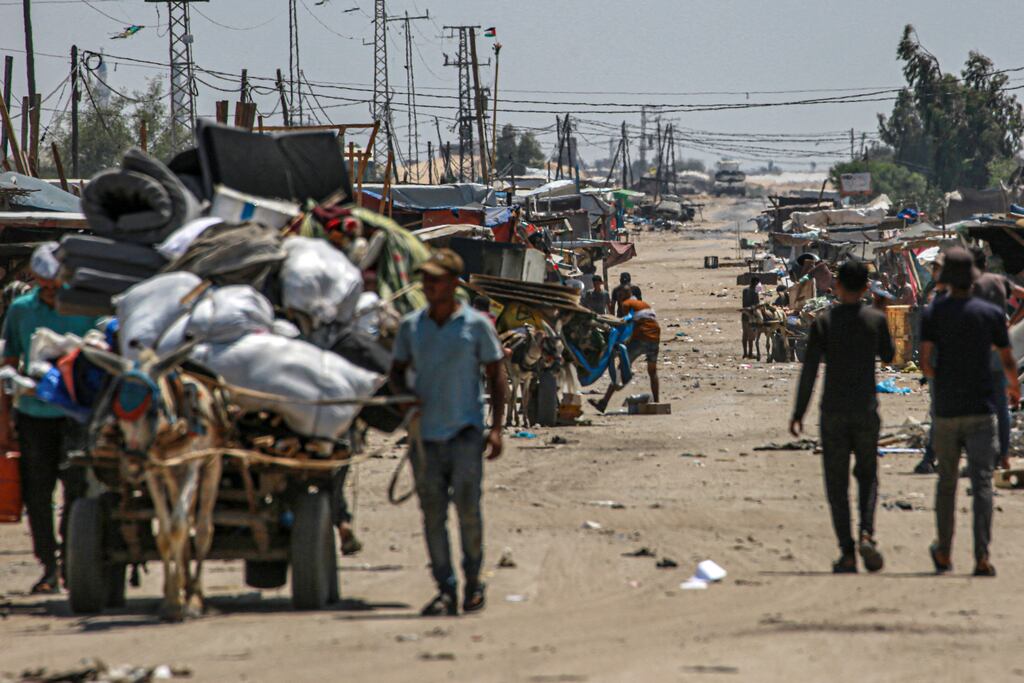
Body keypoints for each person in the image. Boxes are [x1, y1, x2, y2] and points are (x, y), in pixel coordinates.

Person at [391, 248, 508, 616]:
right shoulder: (412, 326)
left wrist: (498, 429)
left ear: (454, 284)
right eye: (425, 278)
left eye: (436, 279)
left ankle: (473, 581)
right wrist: (404, 401)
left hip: (466, 435)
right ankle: (445, 587)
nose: (429, 285)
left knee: (468, 512)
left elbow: (497, 374)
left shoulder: (477, 326)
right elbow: (395, 372)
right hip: (424, 438)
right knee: (432, 516)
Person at [1, 243, 98, 594]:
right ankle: (49, 566)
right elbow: (9, 364)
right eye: (47, 286)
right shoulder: (21, 310)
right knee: (36, 494)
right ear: (37, 281)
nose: (53, 293)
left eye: (58, 286)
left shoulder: (87, 305)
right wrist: (4, 422)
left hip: (78, 415)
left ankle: (75, 560)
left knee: (77, 488)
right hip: (33, 414)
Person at [920, 247, 1020, 577]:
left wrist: (941, 378)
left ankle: (945, 552)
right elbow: (1007, 359)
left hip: (947, 411)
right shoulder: (990, 314)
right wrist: (1013, 387)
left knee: (946, 483)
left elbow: (925, 361)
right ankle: (981, 556)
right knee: (982, 486)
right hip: (981, 410)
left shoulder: (935, 311)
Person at [789, 260, 894, 573]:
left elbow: (809, 371)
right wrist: (882, 311)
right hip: (865, 410)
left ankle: (847, 552)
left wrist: (798, 413)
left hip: (833, 411)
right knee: (867, 475)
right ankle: (867, 533)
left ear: (836, 287)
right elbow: (889, 356)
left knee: (836, 485)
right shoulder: (874, 319)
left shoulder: (825, 322)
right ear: (865, 288)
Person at [971, 247, 1024, 470]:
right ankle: (1002, 455)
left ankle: (982, 456)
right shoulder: (999, 282)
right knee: (1001, 407)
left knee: (978, 406)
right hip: (999, 349)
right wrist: (1011, 322)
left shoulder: (967, 286)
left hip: (976, 351)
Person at [590, 285, 660, 413]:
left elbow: (626, 322)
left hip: (642, 337)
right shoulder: (643, 303)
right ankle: (656, 403)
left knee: (621, 369)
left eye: (619, 296)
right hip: (655, 336)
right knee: (652, 371)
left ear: (623, 295)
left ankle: (604, 402)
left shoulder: (627, 304)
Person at [741, 276, 761, 359]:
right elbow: (756, 304)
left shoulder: (745, 290)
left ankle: (745, 353)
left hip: (744, 314)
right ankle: (750, 353)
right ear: (755, 283)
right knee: (751, 335)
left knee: (745, 334)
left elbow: (744, 302)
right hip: (751, 315)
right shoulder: (755, 292)